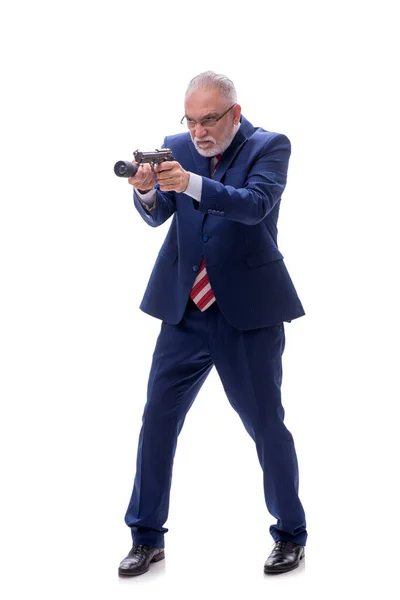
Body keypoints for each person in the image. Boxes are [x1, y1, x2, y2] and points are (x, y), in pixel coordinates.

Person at [118, 71, 307, 577]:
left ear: (235, 114)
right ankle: (146, 536)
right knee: (157, 421)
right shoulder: (174, 146)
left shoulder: (270, 146)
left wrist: (193, 183)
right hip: (185, 312)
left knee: (266, 427)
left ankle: (291, 533)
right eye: (191, 120)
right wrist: (148, 193)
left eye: (209, 120)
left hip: (246, 315)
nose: (198, 132)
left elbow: (254, 205)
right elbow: (159, 216)